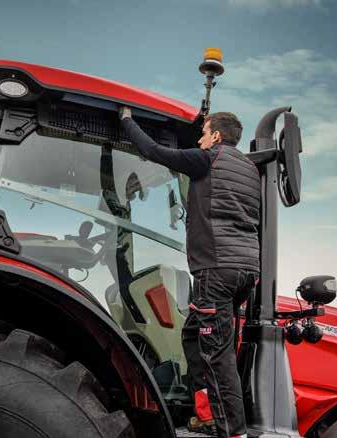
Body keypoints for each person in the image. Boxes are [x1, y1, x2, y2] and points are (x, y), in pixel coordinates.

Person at [120, 107, 260, 438]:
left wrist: (126, 120)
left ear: (217, 136)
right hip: (244, 270)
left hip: (216, 269)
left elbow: (153, 151)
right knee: (193, 336)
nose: (199, 140)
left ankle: (233, 432)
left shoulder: (208, 159)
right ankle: (205, 413)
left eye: (204, 133)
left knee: (217, 354)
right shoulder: (249, 169)